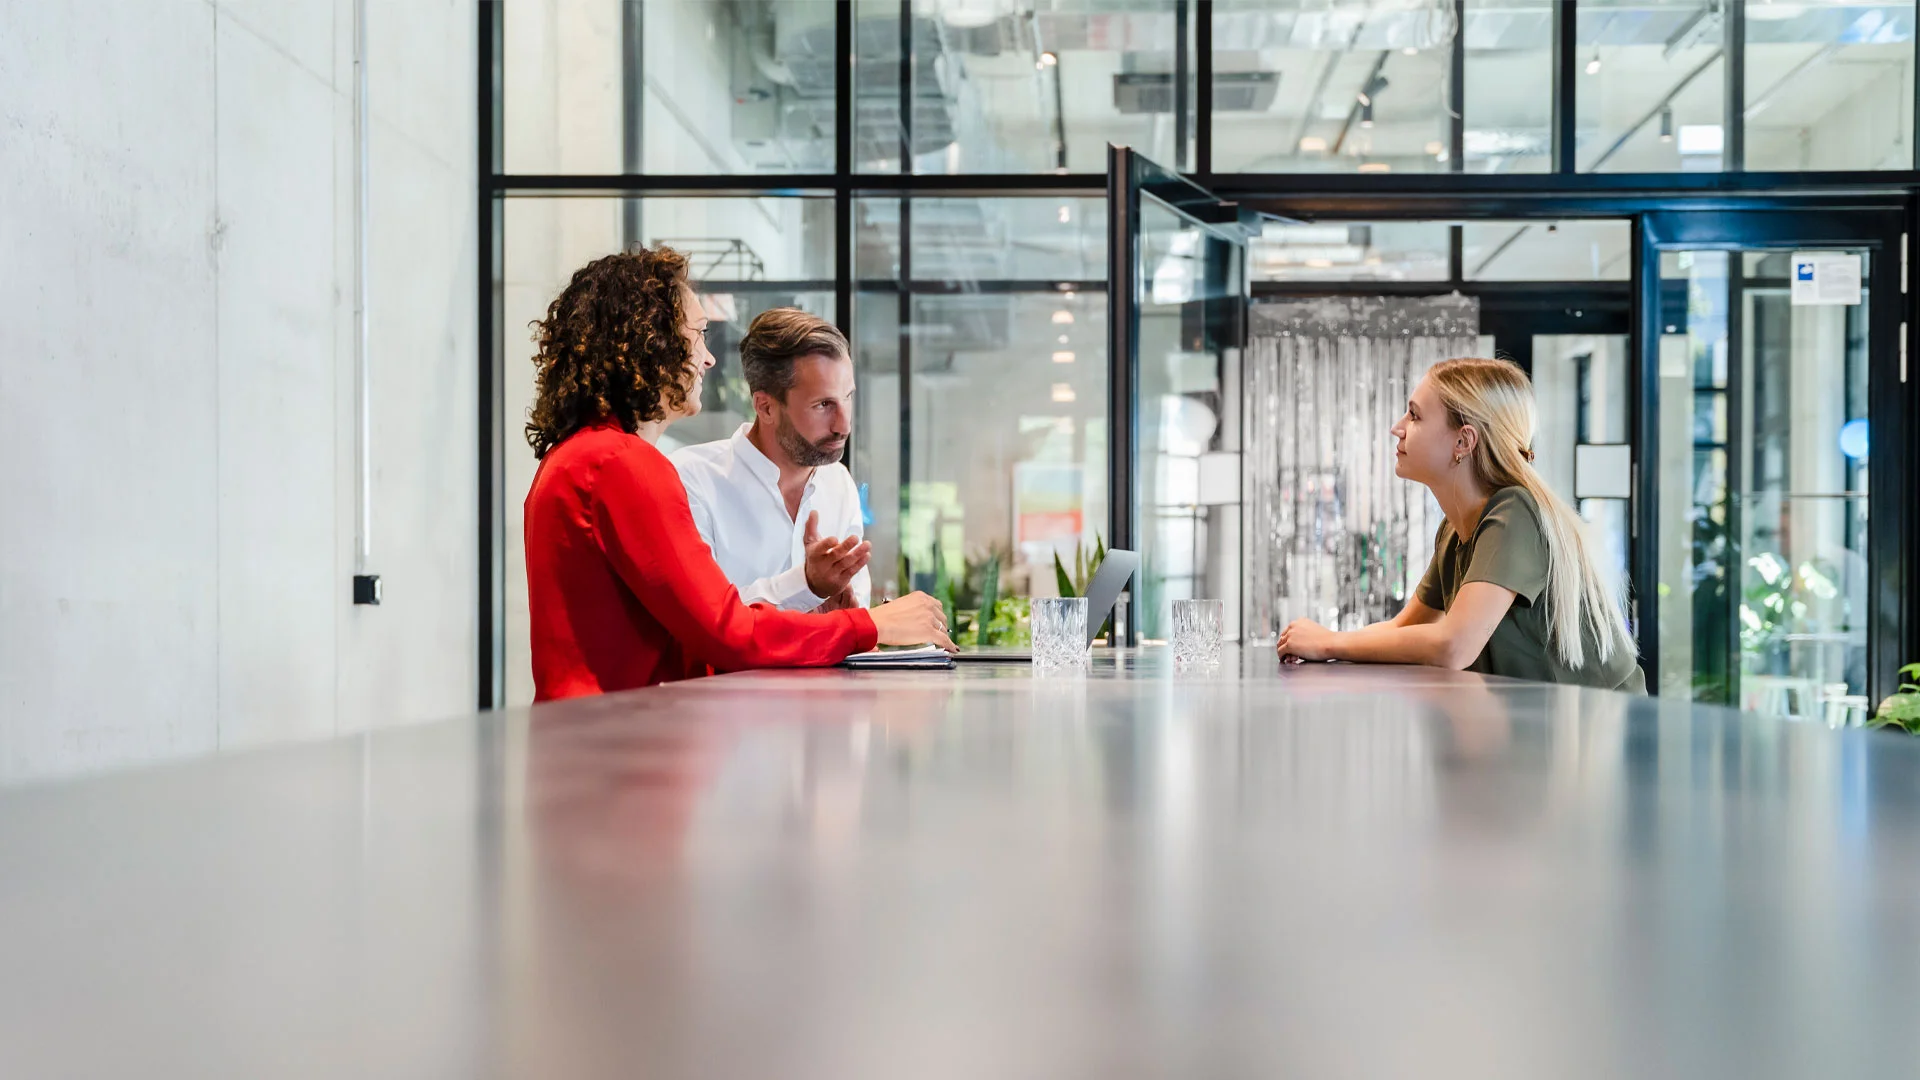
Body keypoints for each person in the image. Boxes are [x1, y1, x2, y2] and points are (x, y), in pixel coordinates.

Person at [522, 248, 953, 702]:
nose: (708, 359)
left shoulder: (581, 457)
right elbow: (726, 630)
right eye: (699, 336)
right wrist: (867, 625)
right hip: (615, 745)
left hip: (592, 736)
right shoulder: (622, 464)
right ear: (649, 342)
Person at [1277, 357, 1644, 693]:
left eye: (1415, 416)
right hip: (1550, 728)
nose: (1397, 428)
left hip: (1605, 730)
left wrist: (1327, 643)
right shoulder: (1455, 531)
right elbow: (1404, 628)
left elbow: (1453, 645)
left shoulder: (1515, 512)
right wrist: (1326, 642)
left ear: (1463, 441)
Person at [671, 308, 869, 613]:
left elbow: (856, 609)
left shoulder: (838, 483)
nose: (844, 425)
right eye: (824, 404)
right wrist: (806, 585)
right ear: (765, 408)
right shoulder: (690, 480)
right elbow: (702, 616)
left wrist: (844, 615)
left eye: (848, 398)